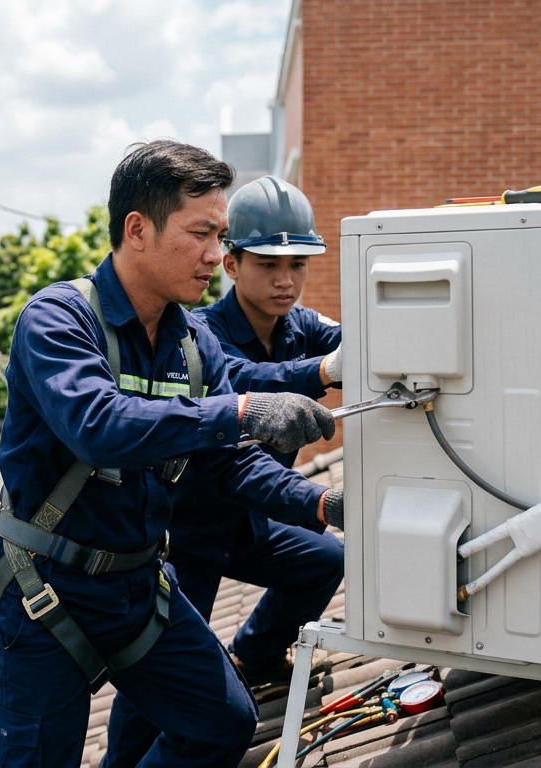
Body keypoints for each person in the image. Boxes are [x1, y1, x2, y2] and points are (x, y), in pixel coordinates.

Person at [0, 142, 342, 768]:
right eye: (201, 234)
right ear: (138, 230)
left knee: (222, 724)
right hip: (46, 589)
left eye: (220, 235)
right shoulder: (59, 320)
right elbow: (98, 425)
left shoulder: (192, 339)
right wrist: (238, 412)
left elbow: (231, 465)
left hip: (139, 583)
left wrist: (322, 502)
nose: (214, 255)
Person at [104, 175, 347, 767]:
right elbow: (245, 384)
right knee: (160, 672)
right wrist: (325, 371)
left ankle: (258, 656)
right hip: (189, 531)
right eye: (268, 263)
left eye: (298, 263)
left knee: (324, 560)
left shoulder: (300, 328)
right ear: (232, 264)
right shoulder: (203, 334)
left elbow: (353, 340)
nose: (285, 279)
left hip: (253, 515)